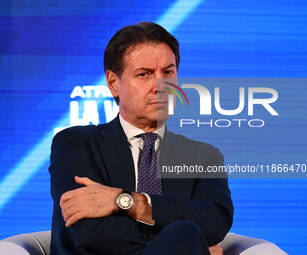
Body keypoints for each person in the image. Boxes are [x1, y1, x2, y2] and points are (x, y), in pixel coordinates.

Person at [49, 22, 233, 255]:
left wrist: (125, 201)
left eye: (168, 72)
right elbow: (89, 232)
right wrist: (190, 245)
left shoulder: (203, 156)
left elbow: (215, 224)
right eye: (144, 74)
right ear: (114, 83)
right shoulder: (76, 143)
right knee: (185, 233)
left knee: (184, 232)